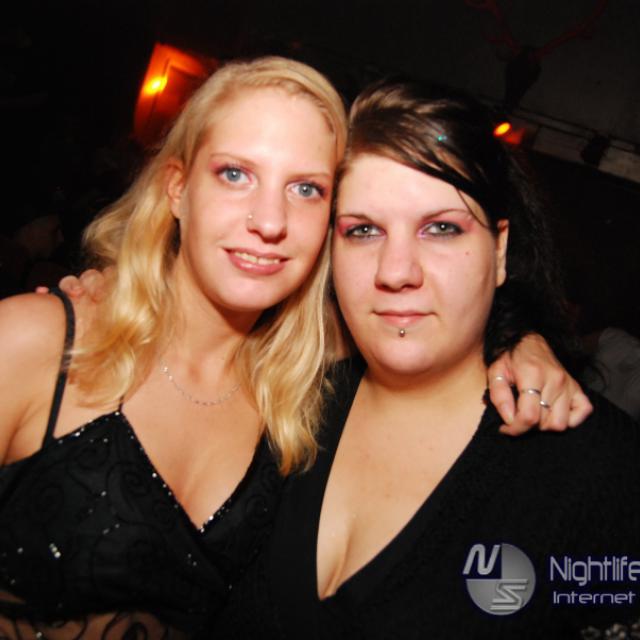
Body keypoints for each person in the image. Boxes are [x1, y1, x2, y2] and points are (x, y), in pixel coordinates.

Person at [0, 56, 589, 637]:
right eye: (235, 174)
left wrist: (519, 339)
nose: (269, 221)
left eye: (306, 188)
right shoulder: (34, 343)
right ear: (177, 187)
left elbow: (440, 322)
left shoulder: (301, 386)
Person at [214, 80, 640, 639]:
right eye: (363, 230)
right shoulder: (285, 406)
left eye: (441, 229)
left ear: (499, 250)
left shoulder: (598, 471)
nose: (397, 271)